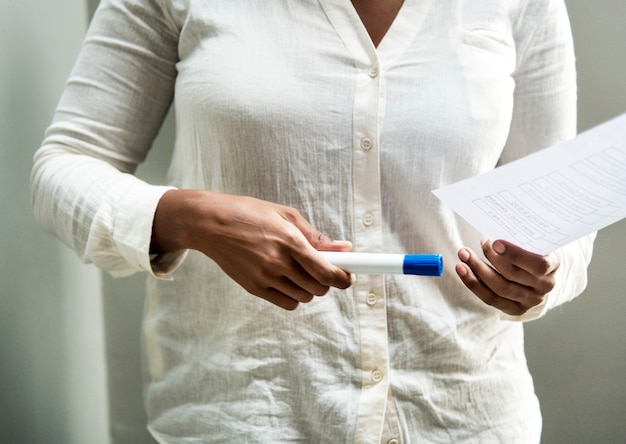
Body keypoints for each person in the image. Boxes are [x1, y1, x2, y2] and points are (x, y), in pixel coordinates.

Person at [31, 0, 595, 442]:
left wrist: (545, 273)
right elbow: (61, 170)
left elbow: (559, 214)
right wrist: (193, 217)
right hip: (250, 416)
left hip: (464, 418)